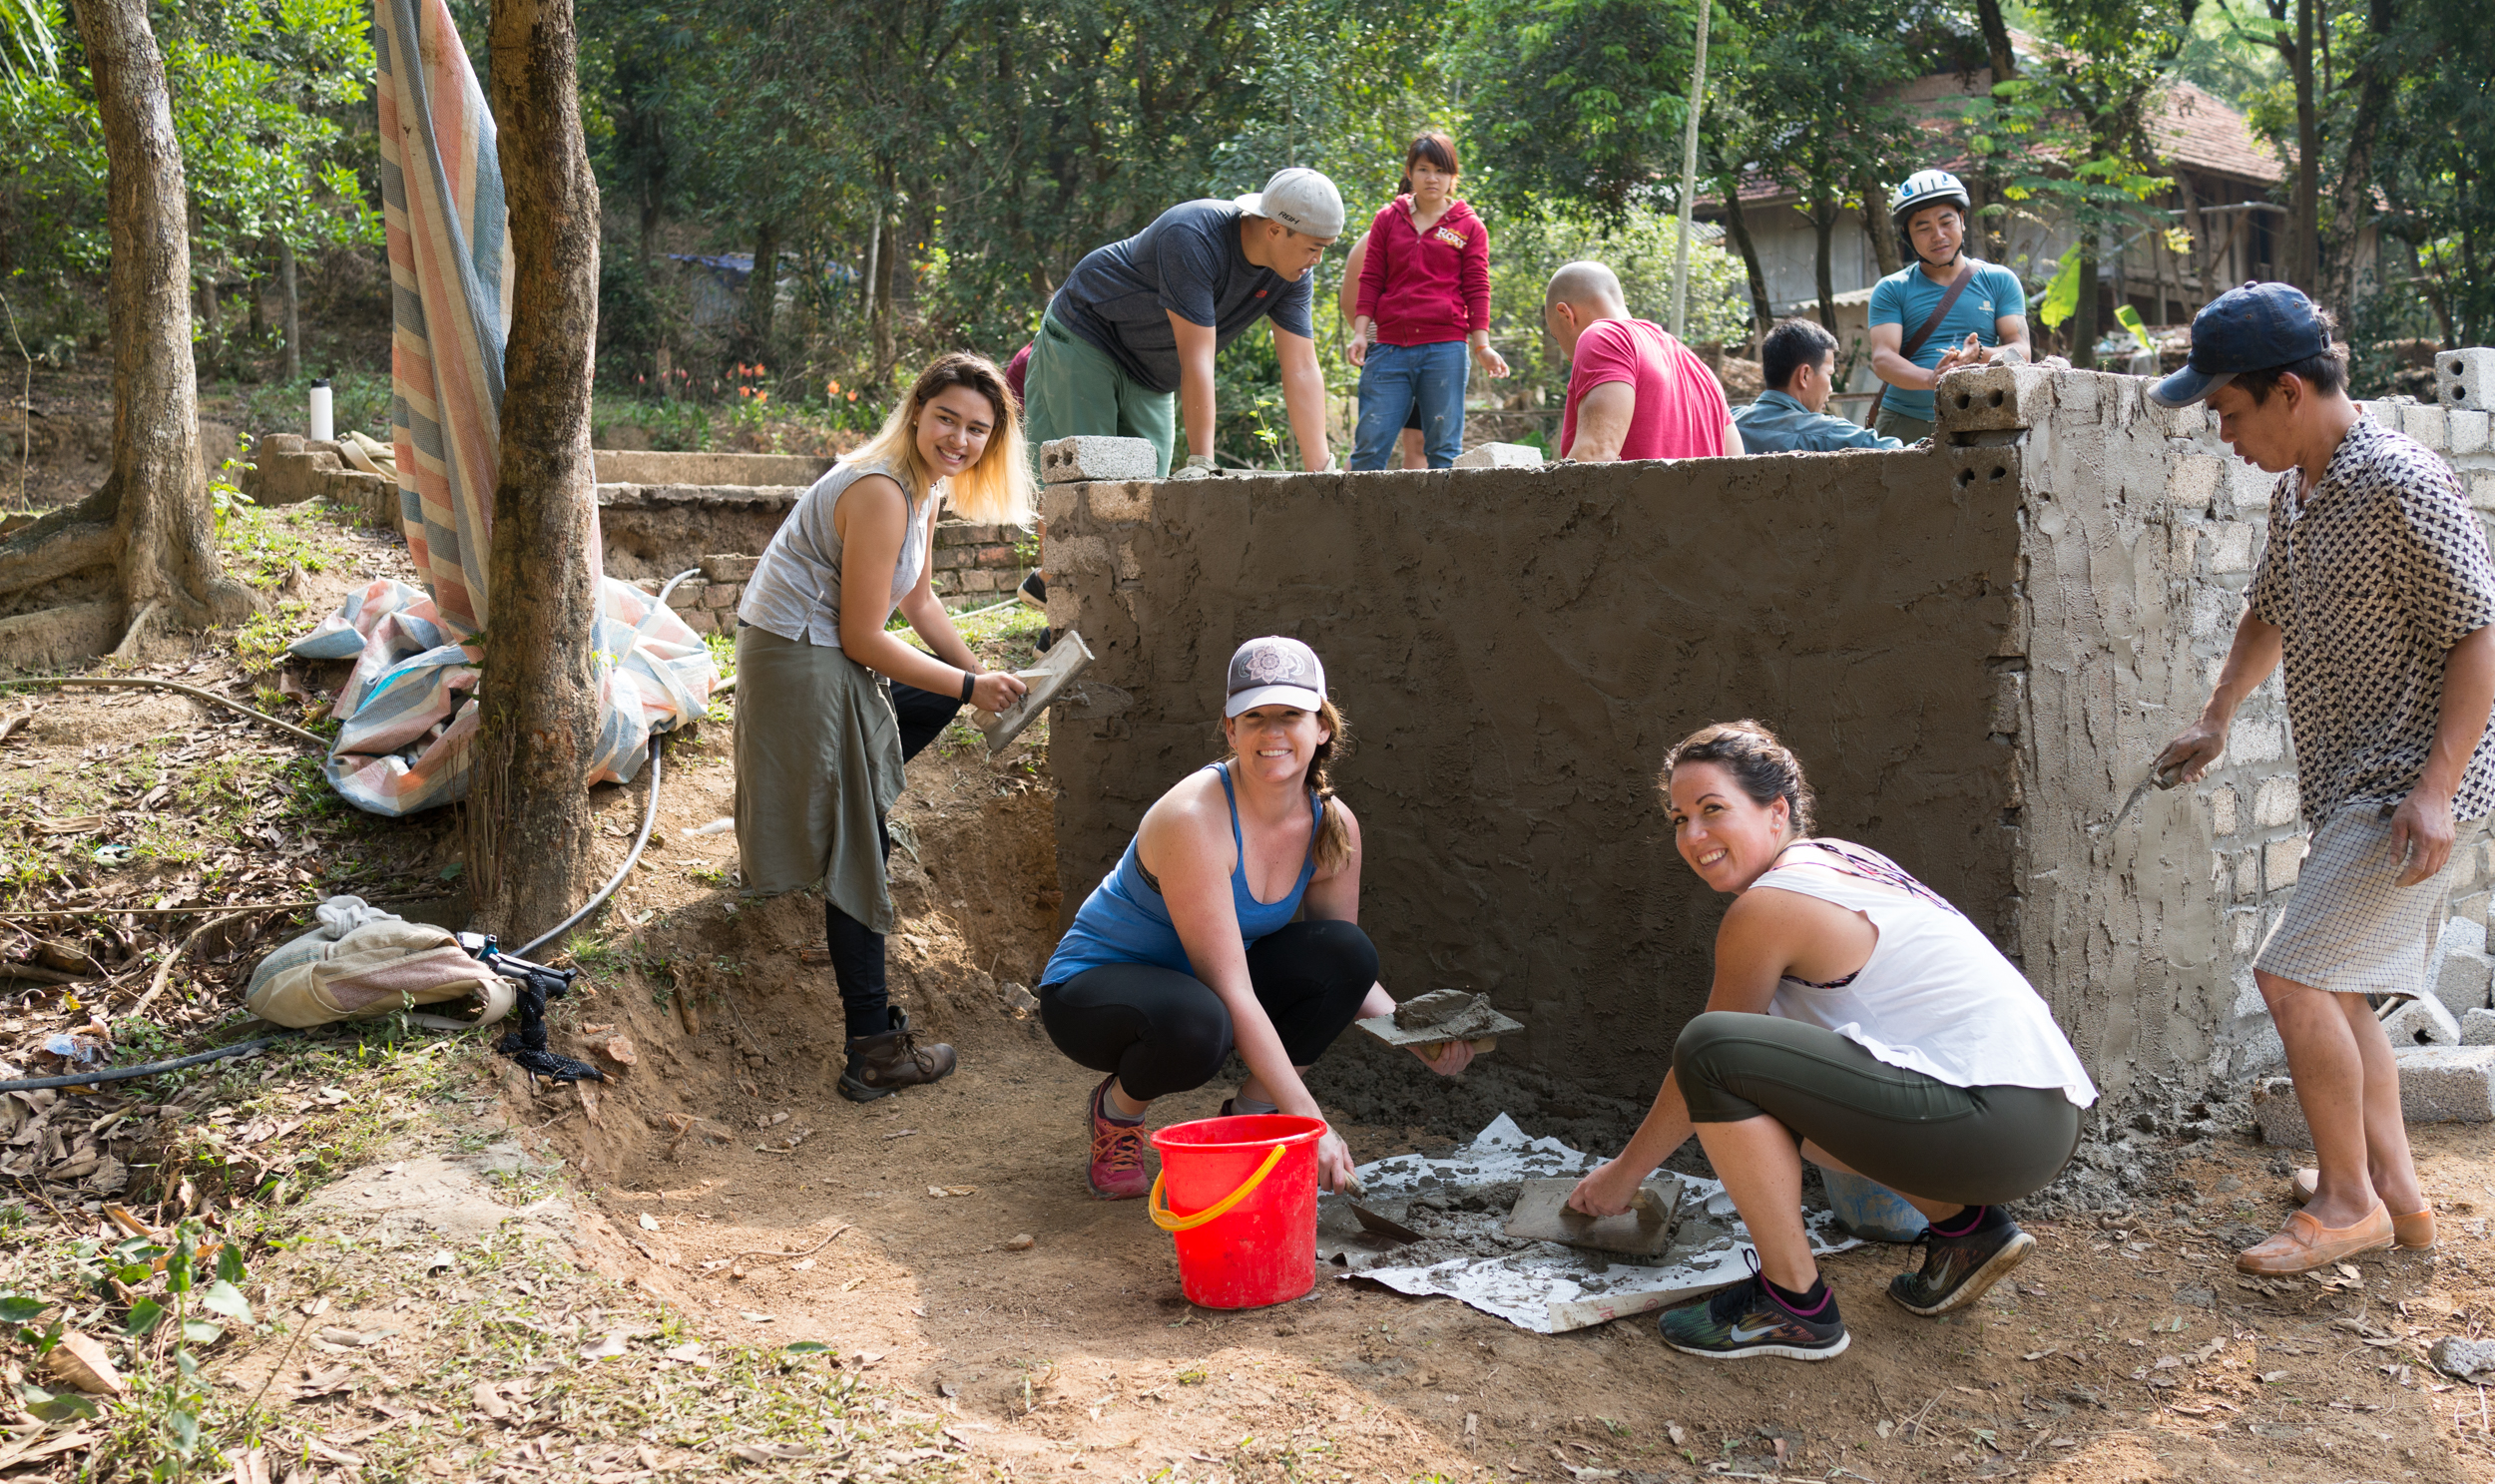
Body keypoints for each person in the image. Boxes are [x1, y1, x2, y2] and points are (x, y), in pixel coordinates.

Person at [2151, 282, 2495, 1275]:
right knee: (2338, 993)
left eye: (2227, 411)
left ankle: (2347, 1201)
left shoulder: (2395, 479)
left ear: (2288, 389)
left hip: (2405, 792)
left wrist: (2434, 786)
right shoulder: (2299, 490)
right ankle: (2395, 1194)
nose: (2222, 434)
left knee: (2291, 976)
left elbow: (2479, 631)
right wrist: (2216, 718)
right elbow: (2267, 609)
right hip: (2356, 785)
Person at [1566, 722, 2097, 1361]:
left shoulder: (1767, 909)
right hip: (2041, 1116)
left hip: (1994, 1121)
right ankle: (1969, 1233)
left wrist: (1623, 1177)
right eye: (1679, 819)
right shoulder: (1840, 860)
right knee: (1765, 1090)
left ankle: (1795, 1304)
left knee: (1710, 1051)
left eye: (1713, 810)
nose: (1693, 836)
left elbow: (1702, 1066)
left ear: (1776, 811)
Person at [1037, 637, 1477, 1199]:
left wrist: (1418, 1037)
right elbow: (1231, 988)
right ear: (1231, 730)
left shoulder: (1331, 825)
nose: (1272, 734)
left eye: (1290, 715)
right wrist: (1311, 1125)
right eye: (1255, 718)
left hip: (1206, 987)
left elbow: (1345, 969)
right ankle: (1118, 1113)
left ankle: (1250, 1119)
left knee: (1346, 951)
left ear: (1321, 727)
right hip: (1094, 994)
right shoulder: (1193, 817)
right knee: (1199, 1024)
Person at [735, 352, 1036, 1103]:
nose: (960, 440)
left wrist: (987, 684)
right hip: (797, 657)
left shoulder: (923, 487)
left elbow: (920, 603)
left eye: (977, 429)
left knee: (931, 710)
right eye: (947, 419)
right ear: (915, 410)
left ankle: (855, 795)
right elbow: (865, 637)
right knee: (857, 842)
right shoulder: (880, 489)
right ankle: (872, 1048)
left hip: (823, 649)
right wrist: (971, 684)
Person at [1024, 168, 1341, 480]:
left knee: (1143, 500)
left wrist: (1324, 473)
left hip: (1152, 374)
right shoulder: (1194, 236)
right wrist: (1203, 462)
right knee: (1076, 485)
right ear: (1274, 229)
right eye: (1314, 248)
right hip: (1087, 335)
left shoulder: (1293, 274)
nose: (1317, 260)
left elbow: (1301, 367)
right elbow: (1197, 357)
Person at [1345, 131, 1509, 470]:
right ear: (1410, 172)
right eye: (1423, 169)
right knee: (1369, 447)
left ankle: (1439, 524)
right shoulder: (1387, 219)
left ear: (1452, 176)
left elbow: (1477, 288)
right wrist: (1361, 333)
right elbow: (1371, 278)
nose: (1431, 178)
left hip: (1444, 349)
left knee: (1443, 450)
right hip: (1388, 349)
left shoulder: (1470, 227)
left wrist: (1483, 347)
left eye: (1440, 170)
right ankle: (1355, 522)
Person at [1866, 170, 2029, 444]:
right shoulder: (1892, 288)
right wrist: (1933, 379)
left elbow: (2022, 352)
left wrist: (1979, 354)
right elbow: (1883, 359)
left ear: (1962, 220)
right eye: (1923, 227)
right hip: (1904, 421)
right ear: (1907, 234)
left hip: (1981, 421)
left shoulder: (2000, 280)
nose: (1938, 235)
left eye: (1946, 222)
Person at [1543, 261, 1740, 464]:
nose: (1570, 359)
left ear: (1566, 314)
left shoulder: (1603, 337)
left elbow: (1595, 455)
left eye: (1557, 338)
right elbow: (1738, 470)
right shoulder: (1701, 371)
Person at [1732, 318, 1903, 454]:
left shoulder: (1727, 422)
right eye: (1829, 374)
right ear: (1804, 375)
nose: (1830, 389)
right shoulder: (1828, 434)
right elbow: (1905, 455)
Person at [1338, 227, 1422, 469]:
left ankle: (1420, 507)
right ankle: (1344, 504)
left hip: (1435, 351)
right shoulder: (1374, 237)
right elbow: (1349, 301)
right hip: (1386, 351)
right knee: (1370, 442)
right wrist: (1371, 338)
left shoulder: (1449, 234)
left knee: (1422, 442)